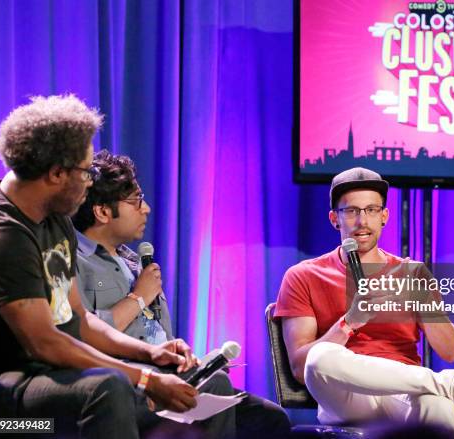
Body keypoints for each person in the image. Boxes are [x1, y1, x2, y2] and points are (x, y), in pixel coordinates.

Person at [0, 95, 205, 438]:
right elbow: (45, 343)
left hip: (58, 376)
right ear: (57, 173)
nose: (90, 182)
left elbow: (79, 320)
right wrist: (145, 379)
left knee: (204, 390)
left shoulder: (54, 219)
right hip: (8, 407)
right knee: (109, 387)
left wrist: (150, 353)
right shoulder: (2, 235)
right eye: (86, 171)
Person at [274, 167, 454, 433]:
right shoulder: (303, 275)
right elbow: (300, 367)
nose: (362, 221)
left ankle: (449, 389)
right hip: (346, 396)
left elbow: (450, 351)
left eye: (372, 210)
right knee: (320, 357)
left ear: (384, 216)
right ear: (335, 219)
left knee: (440, 408)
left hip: (402, 391)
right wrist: (349, 322)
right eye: (351, 211)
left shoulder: (411, 272)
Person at [71, 149, 291, 439]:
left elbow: (154, 332)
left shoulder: (136, 262)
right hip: (124, 381)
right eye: (136, 201)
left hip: (166, 372)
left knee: (269, 419)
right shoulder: (74, 261)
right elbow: (80, 334)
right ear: (101, 212)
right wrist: (138, 298)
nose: (146, 209)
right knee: (217, 385)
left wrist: (175, 351)